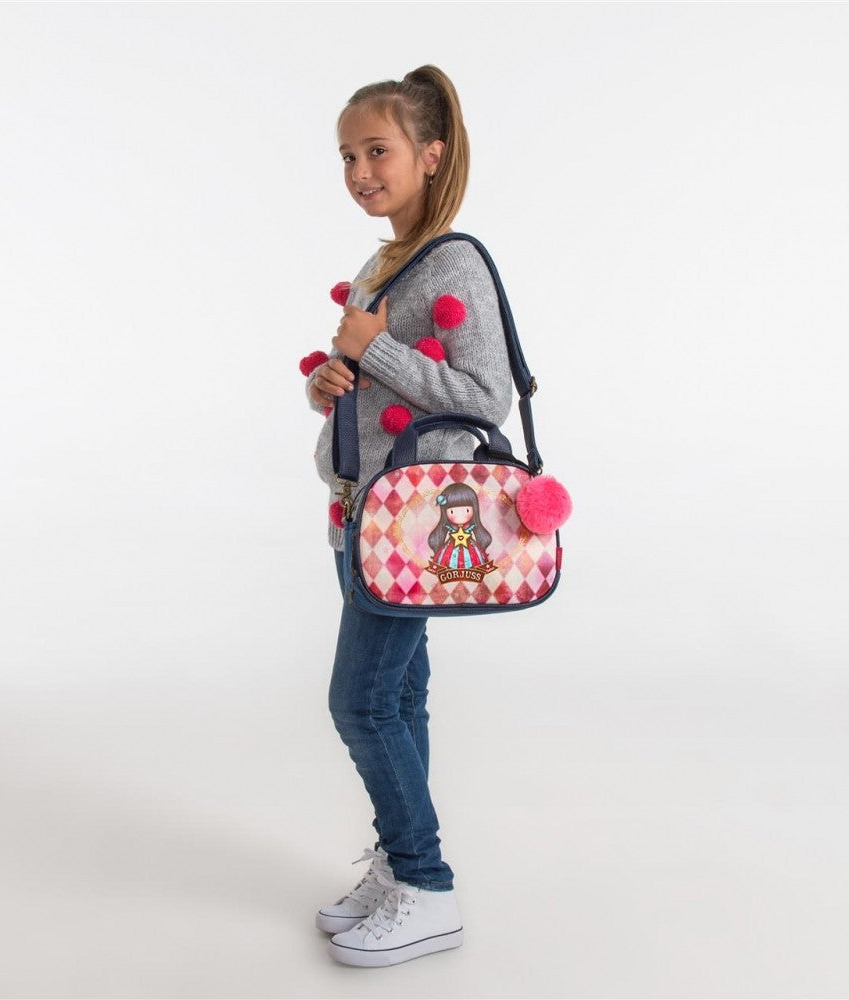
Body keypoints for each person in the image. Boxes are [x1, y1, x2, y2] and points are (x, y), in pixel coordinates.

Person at [303, 65, 513, 968]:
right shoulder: (379, 263)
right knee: (399, 697)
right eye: (347, 155)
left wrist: (375, 346)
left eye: (377, 151)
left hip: (414, 524)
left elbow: (486, 397)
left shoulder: (454, 261)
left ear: (430, 155)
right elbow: (378, 382)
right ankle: (400, 869)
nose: (359, 171)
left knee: (359, 701)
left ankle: (427, 887)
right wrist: (332, 380)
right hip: (362, 515)